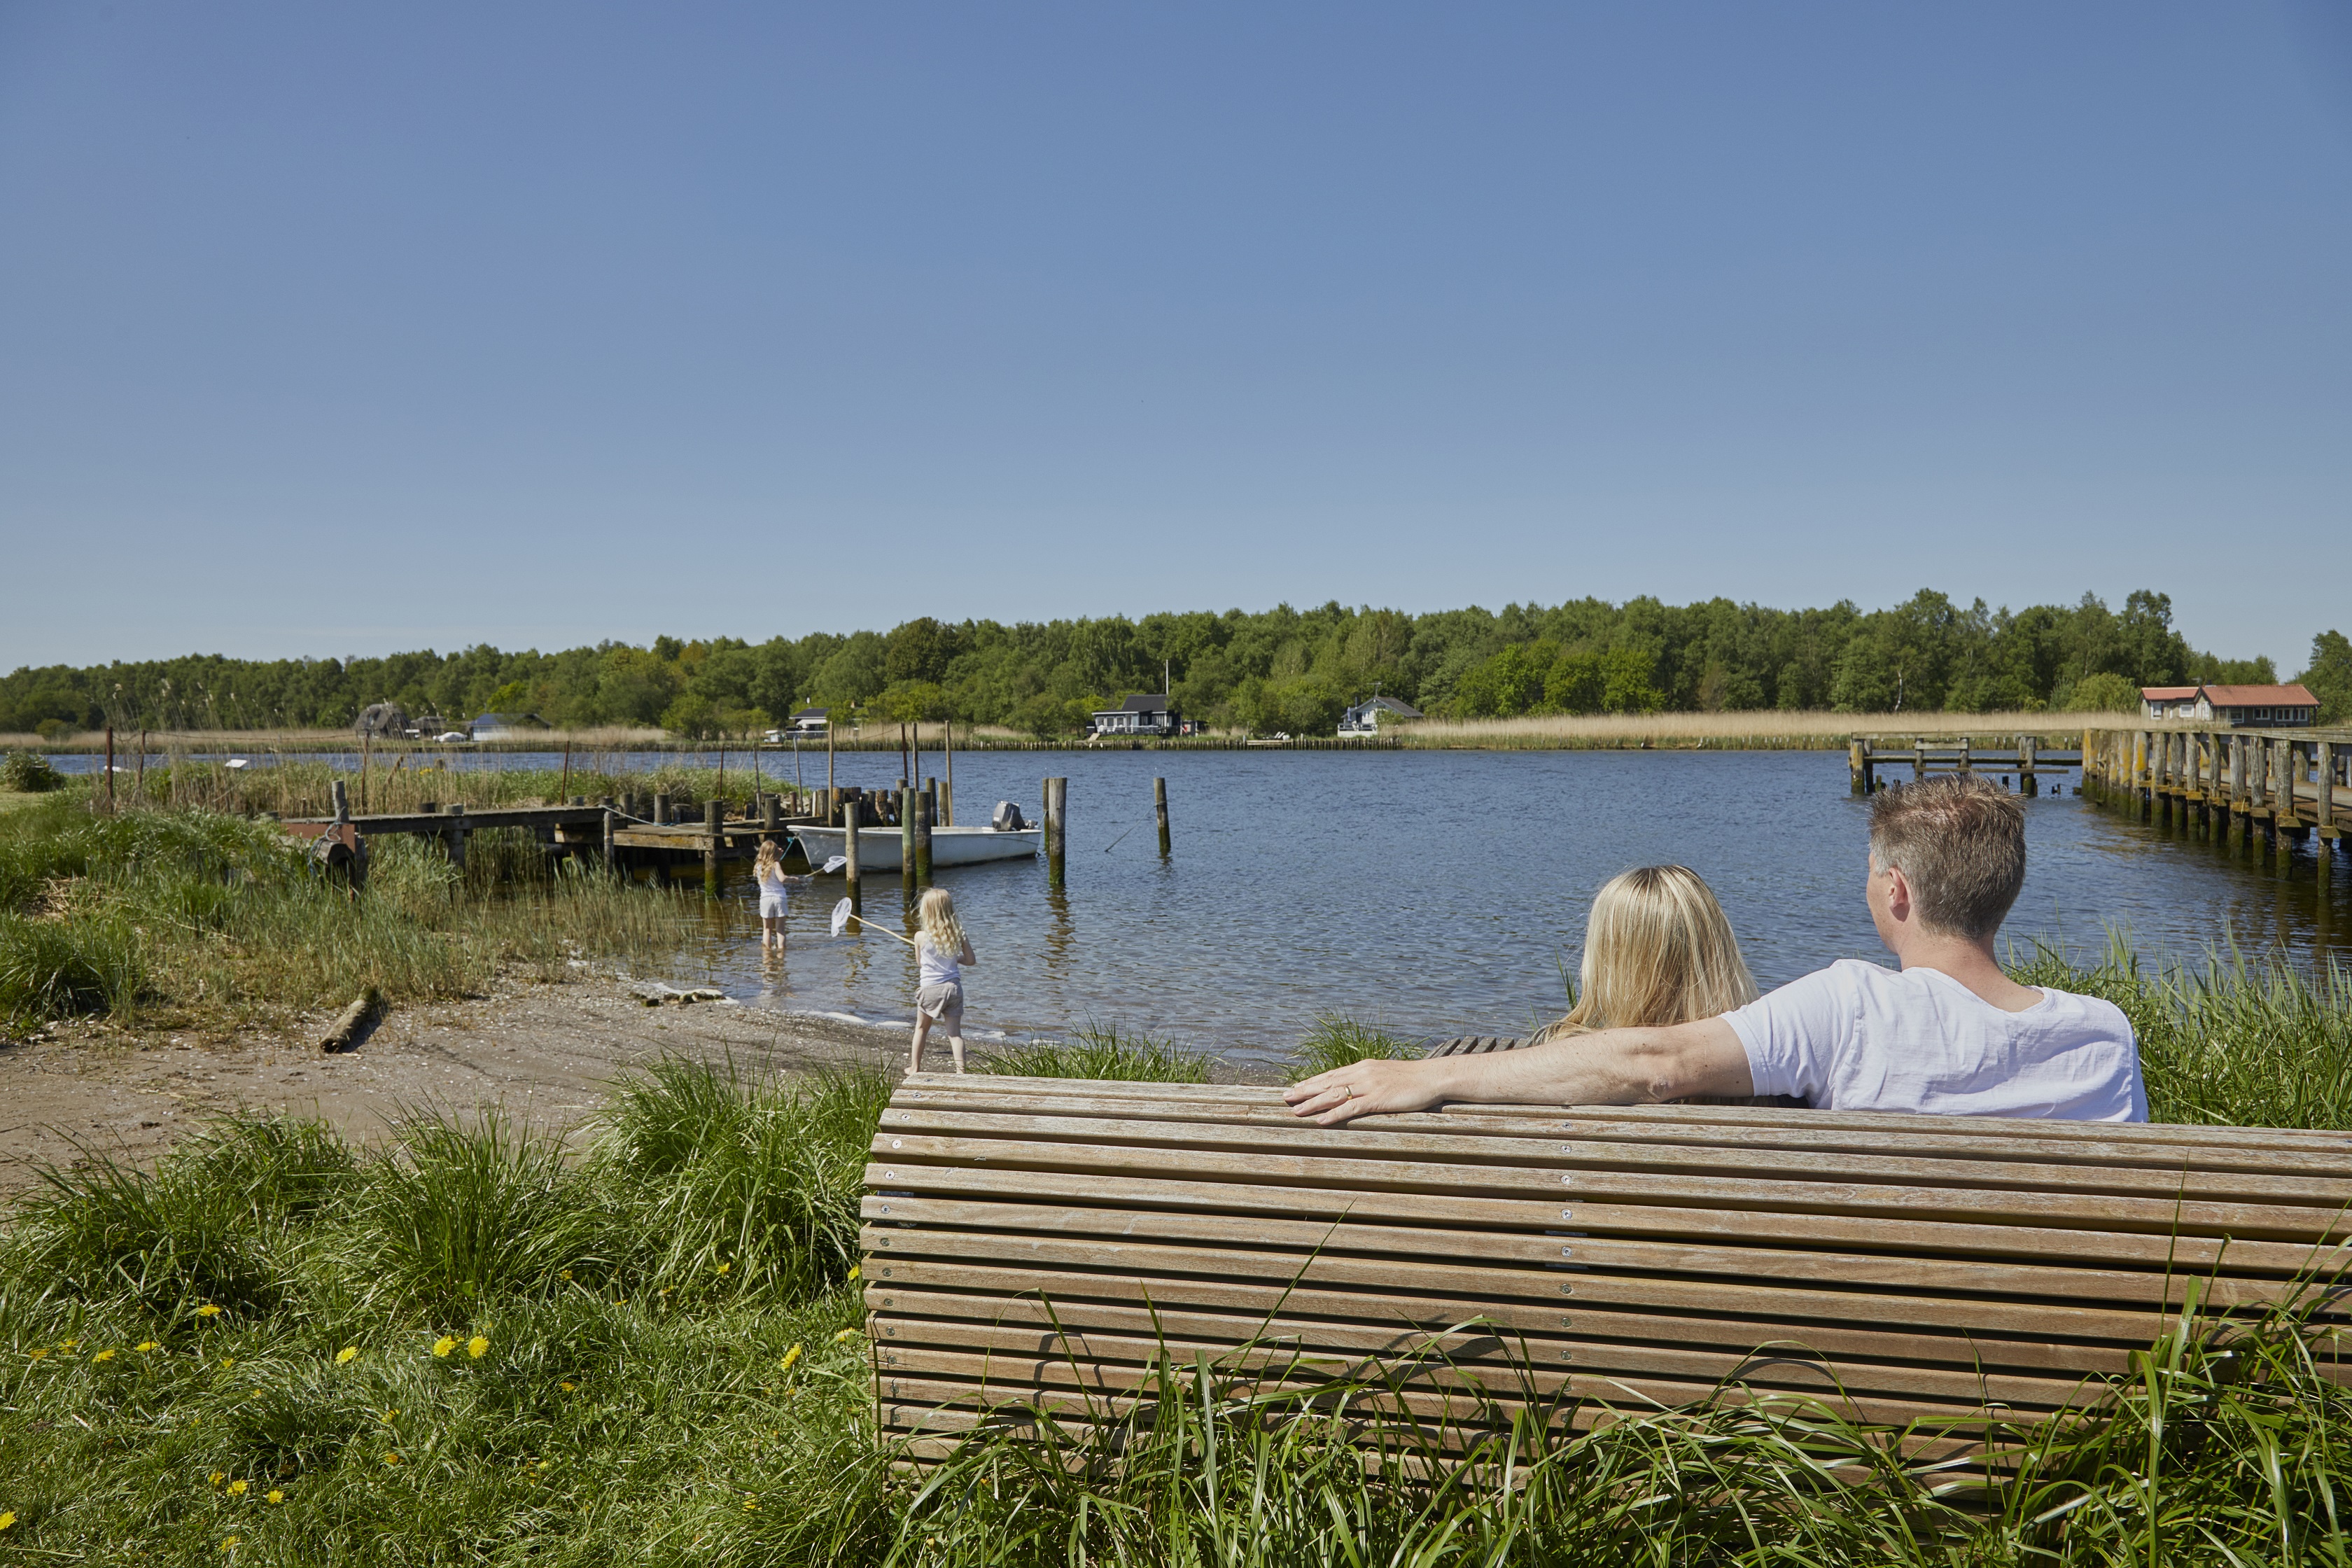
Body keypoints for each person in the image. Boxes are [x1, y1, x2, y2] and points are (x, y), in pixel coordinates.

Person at [1287, 773, 2146, 1125]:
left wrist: (1430, 1073)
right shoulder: (2105, 1036)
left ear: (1897, 892)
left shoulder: (1855, 1006)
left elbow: (1657, 1061)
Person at [910, 886, 978, 1074]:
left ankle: (915, 1068)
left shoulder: (920, 936)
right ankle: (960, 1071)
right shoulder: (958, 935)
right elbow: (971, 961)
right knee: (955, 1034)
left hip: (930, 989)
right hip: (953, 989)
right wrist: (956, 959)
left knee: (922, 1029)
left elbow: (920, 964)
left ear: (926, 911)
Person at [751, 839, 811, 954]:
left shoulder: (758, 866)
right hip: (779, 898)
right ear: (774, 853)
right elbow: (782, 879)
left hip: (765, 899)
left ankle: (767, 955)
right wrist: (794, 879)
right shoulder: (776, 864)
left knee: (767, 929)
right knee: (780, 930)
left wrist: (778, 854)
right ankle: (781, 954)